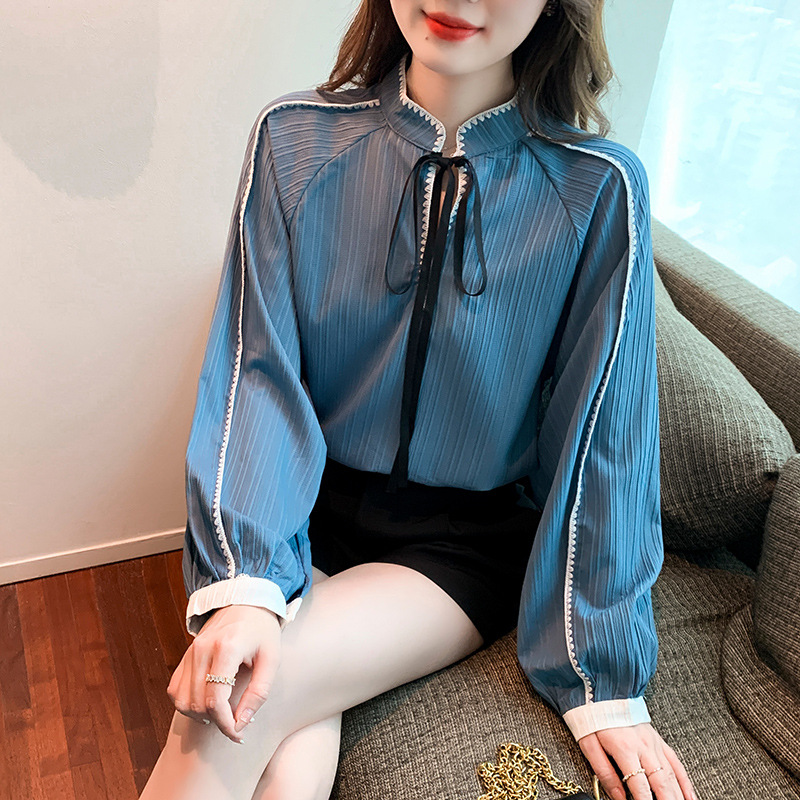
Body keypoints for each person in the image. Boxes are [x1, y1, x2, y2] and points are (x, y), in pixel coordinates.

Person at [140, 1, 700, 799]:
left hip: (458, 542)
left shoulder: (598, 187)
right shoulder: (291, 140)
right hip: (300, 509)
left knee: (234, 700)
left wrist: (601, 678)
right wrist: (248, 580)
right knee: (270, 735)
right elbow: (252, 371)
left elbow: (607, 432)